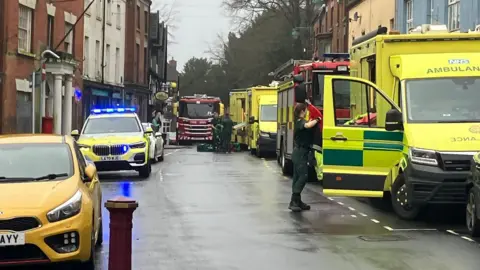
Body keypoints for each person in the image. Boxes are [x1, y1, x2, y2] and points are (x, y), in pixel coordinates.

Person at [289, 103, 322, 212]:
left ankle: (297, 201)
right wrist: (317, 119)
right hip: (300, 153)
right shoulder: (299, 122)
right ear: (302, 111)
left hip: (300, 152)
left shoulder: (300, 121)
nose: (307, 112)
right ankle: (294, 200)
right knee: (303, 176)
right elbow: (308, 125)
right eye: (306, 110)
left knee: (297, 177)